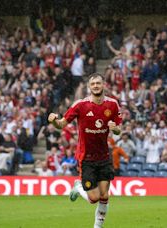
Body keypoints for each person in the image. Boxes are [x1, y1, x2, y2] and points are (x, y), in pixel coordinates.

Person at [48, 73, 122, 228]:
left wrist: (115, 129)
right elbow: (62, 124)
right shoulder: (80, 105)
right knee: (94, 198)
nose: (96, 86)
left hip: (103, 156)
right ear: (89, 87)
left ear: (103, 85)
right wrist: (54, 121)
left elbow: (118, 129)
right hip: (86, 158)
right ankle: (78, 187)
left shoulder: (113, 105)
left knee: (104, 195)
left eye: (98, 83)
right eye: (93, 84)